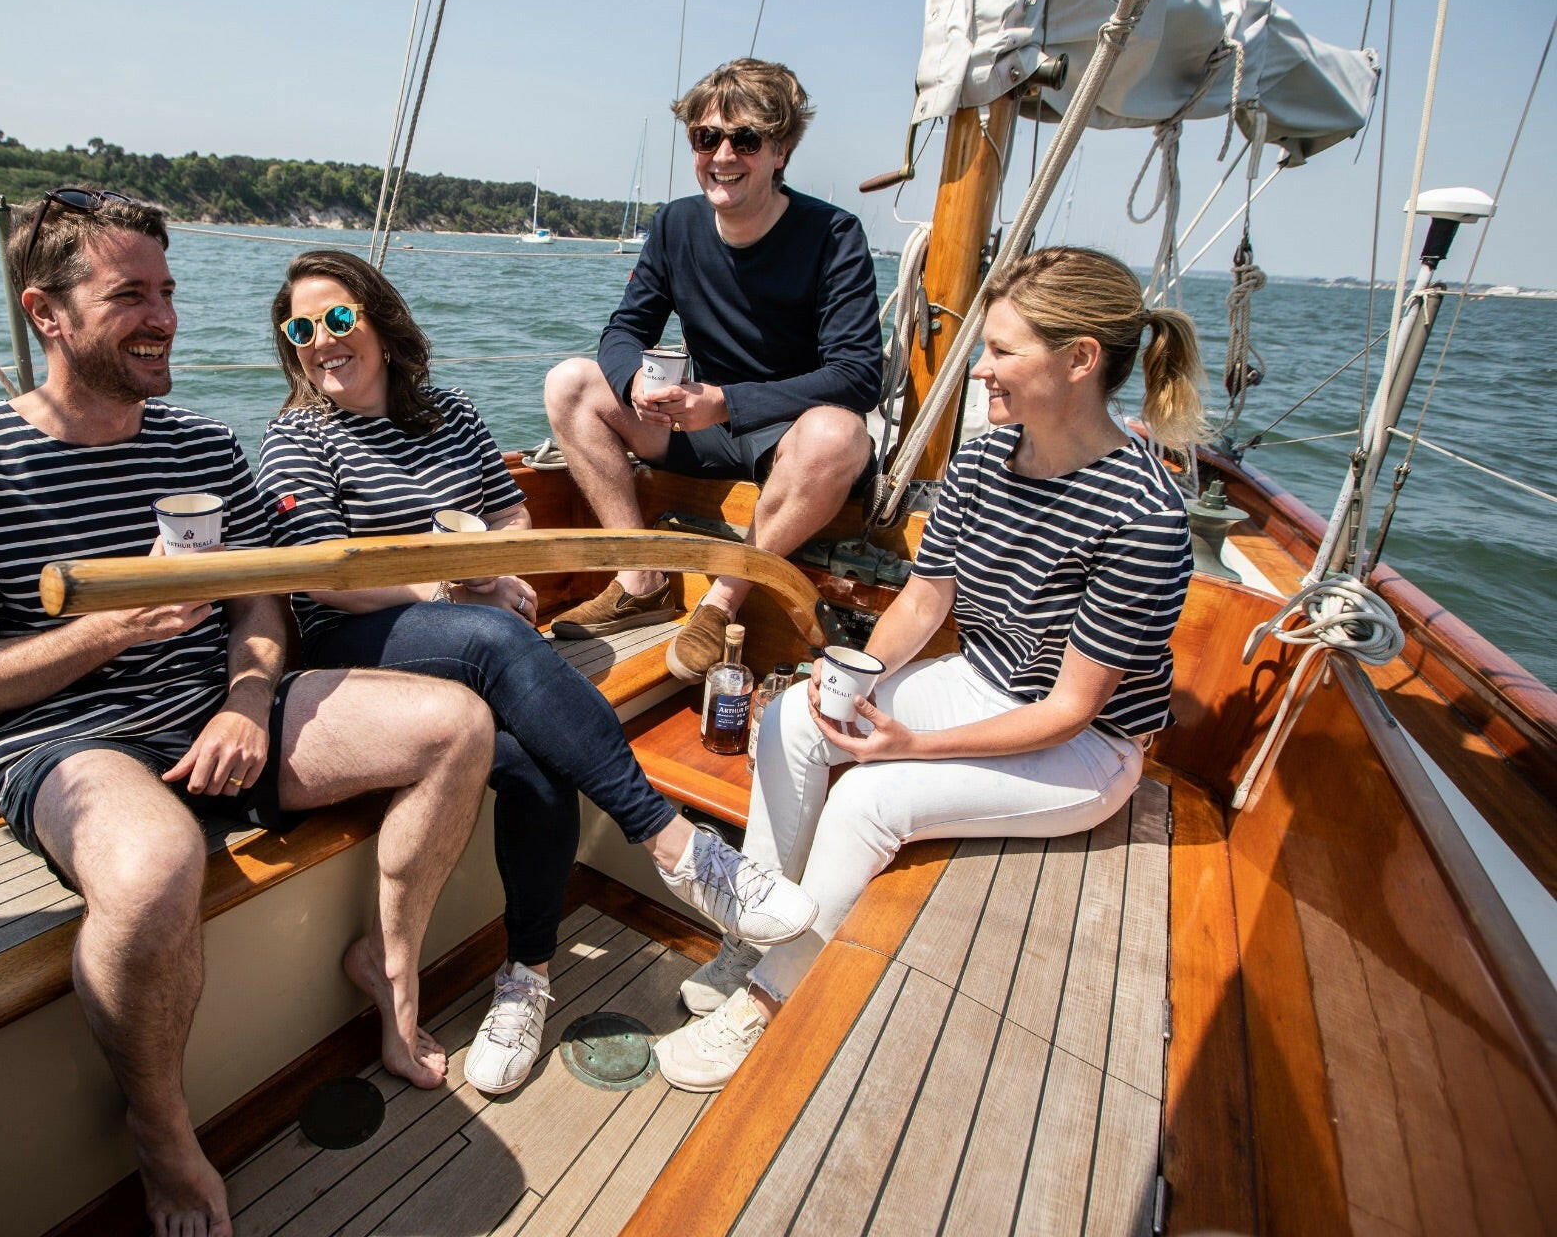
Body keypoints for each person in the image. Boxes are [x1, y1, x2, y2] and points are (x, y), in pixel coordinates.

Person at [0, 191, 494, 1237]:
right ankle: (164, 1135)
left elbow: (260, 603)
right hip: (68, 741)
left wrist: (250, 697)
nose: (162, 315)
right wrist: (112, 625)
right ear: (47, 314)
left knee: (456, 725)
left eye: (166, 291)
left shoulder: (206, 449)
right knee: (158, 865)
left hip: (221, 712)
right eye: (129, 294)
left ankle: (390, 978)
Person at [254, 248, 818, 1098]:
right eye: (301, 330)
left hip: (471, 627)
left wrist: (495, 571)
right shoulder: (297, 436)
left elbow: (513, 517)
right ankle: (679, 849)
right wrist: (453, 584)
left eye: (338, 319)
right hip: (357, 648)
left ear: (378, 320)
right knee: (494, 642)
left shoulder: (449, 412)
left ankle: (525, 978)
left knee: (539, 769)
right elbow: (321, 573)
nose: (320, 342)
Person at [653, 246, 1203, 1091]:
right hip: (981, 680)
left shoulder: (1143, 514)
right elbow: (925, 601)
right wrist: (851, 673)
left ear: (1080, 359)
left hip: (1084, 744)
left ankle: (769, 1000)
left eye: (1003, 351)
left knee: (872, 797)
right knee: (800, 717)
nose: (979, 369)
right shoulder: (984, 463)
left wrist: (902, 745)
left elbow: (1068, 708)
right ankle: (752, 937)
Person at [543, 57, 885, 683]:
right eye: (706, 138)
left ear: (781, 150)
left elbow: (860, 374)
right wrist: (636, 383)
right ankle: (640, 579)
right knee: (572, 383)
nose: (722, 155)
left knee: (839, 431)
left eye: (745, 140)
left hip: (789, 437)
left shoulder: (833, 235)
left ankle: (720, 600)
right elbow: (623, 331)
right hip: (702, 427)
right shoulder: (677, 225)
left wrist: (726, 402)